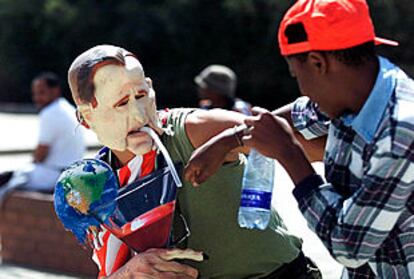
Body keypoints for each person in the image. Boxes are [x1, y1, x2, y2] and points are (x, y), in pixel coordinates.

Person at [185, 0, 414, 278]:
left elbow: (349, 246)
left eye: (296, 75)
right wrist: (226, 140)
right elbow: (297, 114)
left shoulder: (401, 131)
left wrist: (290, 155)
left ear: (319, 63)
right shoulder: (356, 90)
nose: (301, 89)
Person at [67, 45, 321, 278]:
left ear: (151, 87)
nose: (139, 113)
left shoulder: (194, 131)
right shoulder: (94, 185)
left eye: (142, 95)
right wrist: (129, 273)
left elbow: (304, 144)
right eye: (122, 103)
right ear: (87, 117)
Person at [0, 72, 85, 198]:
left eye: (41, 93)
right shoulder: (67, 108)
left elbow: (40, 154)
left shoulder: (50, 113)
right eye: (35, 93)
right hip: (70, 175)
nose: (37, 98)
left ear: (55, 91)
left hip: (52, 176)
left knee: (5, 181)